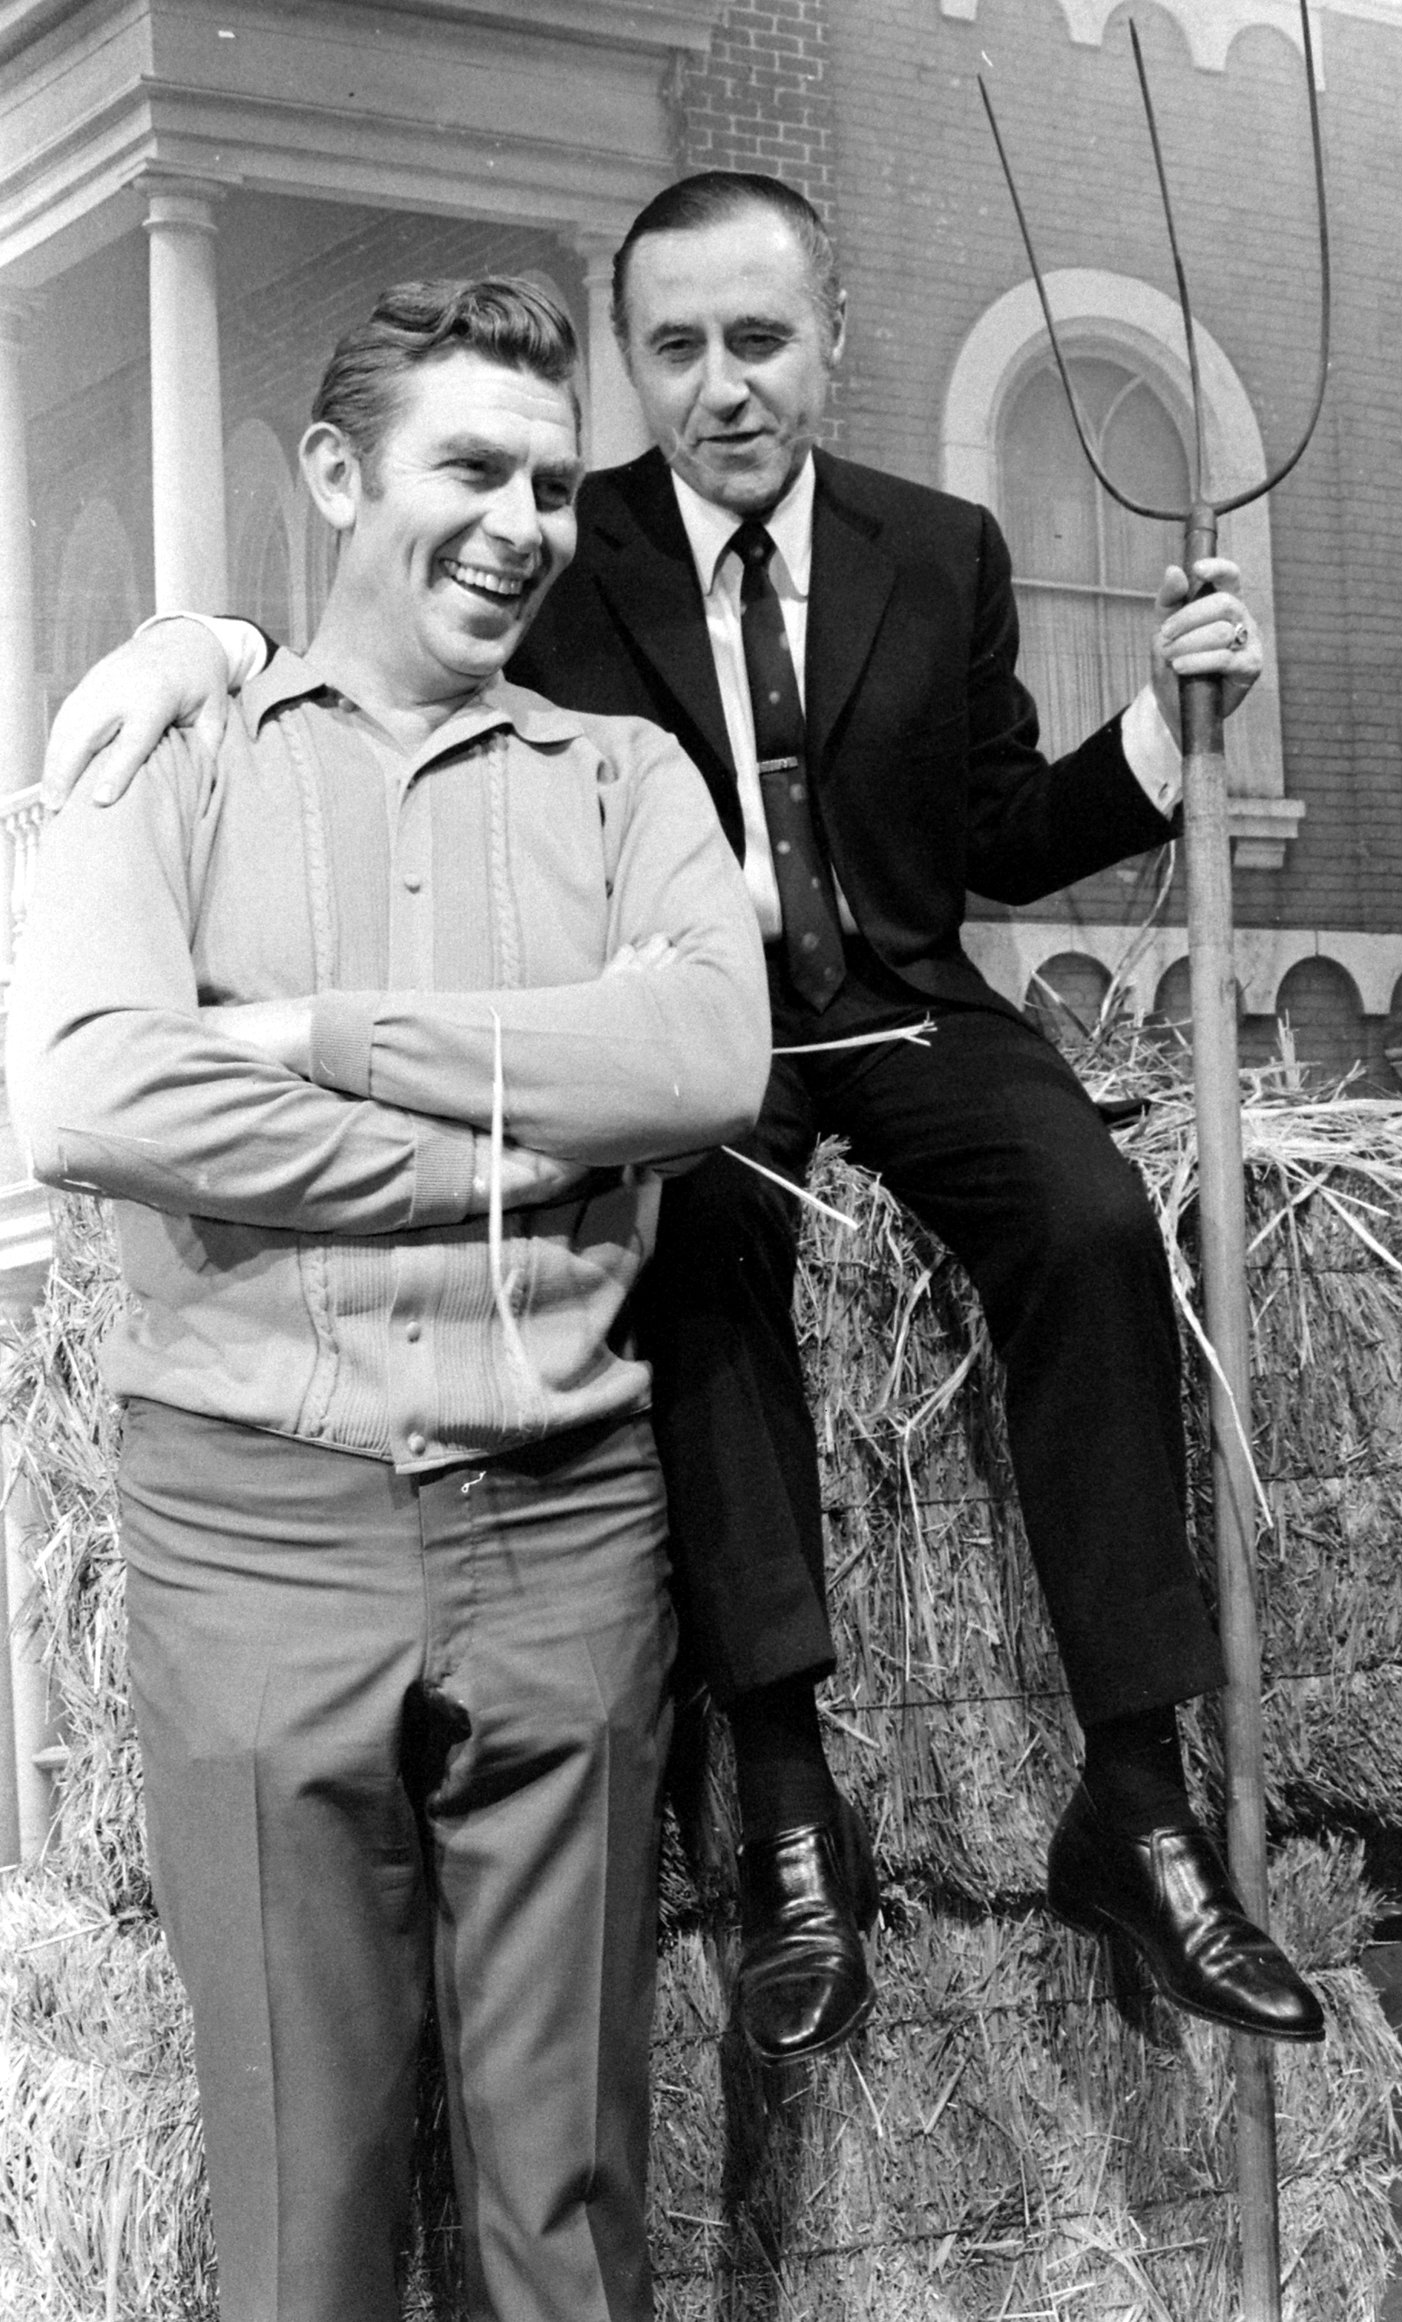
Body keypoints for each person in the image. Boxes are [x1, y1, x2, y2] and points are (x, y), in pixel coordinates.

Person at [40, 172, 1324, 2067]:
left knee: (1089, 1219)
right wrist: (200, 647)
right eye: (675, 350)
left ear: (830, 340)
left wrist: (1153, 726)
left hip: (898, 1009)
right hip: (682, 1036)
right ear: (631, 364)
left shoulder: (941, 543)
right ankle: (795, 1809)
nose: (722, 387)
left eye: (759, 340)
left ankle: (1133, 1792)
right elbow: (398, 583)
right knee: (702, 1237)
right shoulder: (567, 538)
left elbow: (989, 835)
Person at [9, 274, 770, 2322]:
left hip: (565, 1538)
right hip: (251, 1533)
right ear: (338, 474)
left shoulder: (626, 780)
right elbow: (90, 1091)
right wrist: (498, 1158)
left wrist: (310, 1032)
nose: (523, 520)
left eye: (548, 480)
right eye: (469, 468)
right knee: (305, 2206)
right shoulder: (172, 744)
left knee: (567, 2205)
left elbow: (705, 1059)